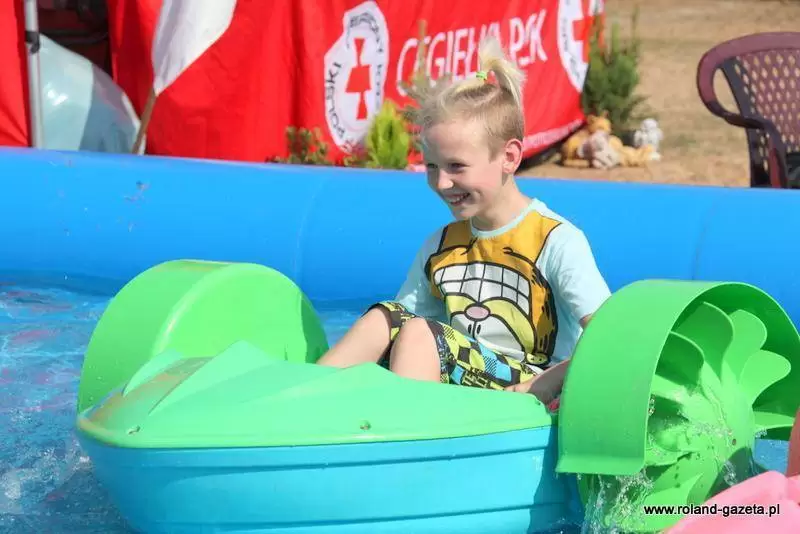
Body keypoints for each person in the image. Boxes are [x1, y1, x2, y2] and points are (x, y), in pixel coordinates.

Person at [316, 36, 611, 405]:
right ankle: (308, 398)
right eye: (432, 166)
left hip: (529, 395)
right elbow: (399, 331)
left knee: (421, 333)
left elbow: (611, 336)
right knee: (388, 317)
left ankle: (404, 430)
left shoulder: (555, 240)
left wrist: (548, 383)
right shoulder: (440, 246)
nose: (441, 183)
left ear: (509, 157)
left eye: (456, 166)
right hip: (464, 389)